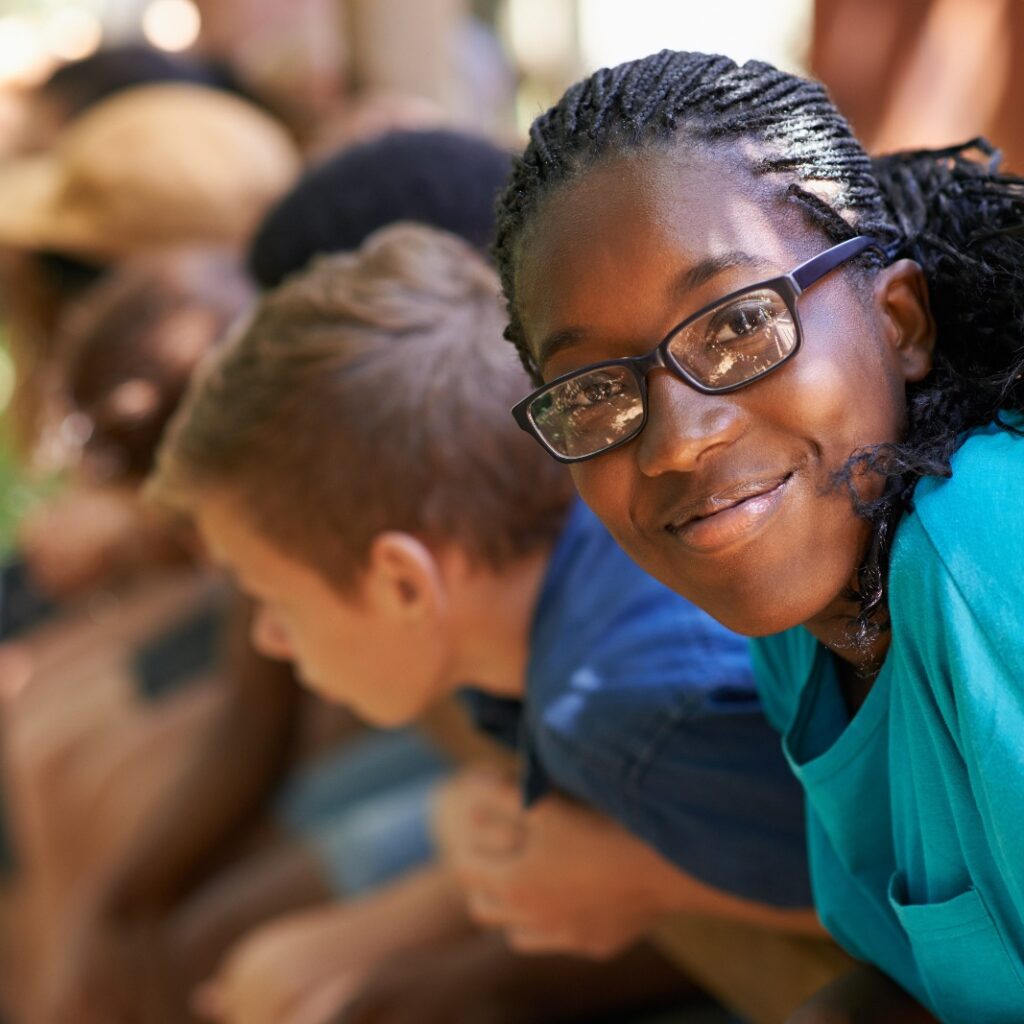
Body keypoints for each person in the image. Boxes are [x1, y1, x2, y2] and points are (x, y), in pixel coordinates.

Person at [150, 222, 824, 1023]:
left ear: (404, 584)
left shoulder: (628, 721)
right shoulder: (577, 593)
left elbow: (949, 880)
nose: (265, 636)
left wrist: (644, 879)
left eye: (271, 597)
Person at [494, 47, 1024, 1023]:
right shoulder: (804, 615)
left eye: (738, 326)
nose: (676, 442)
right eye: (598, 389)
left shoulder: (979, 544)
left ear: (898, 320)